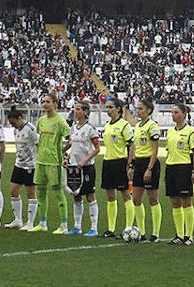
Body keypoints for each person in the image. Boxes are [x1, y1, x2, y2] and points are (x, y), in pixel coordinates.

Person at [30, 93, 72, 234]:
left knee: (58, 193)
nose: (44, 104)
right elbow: (38, 138)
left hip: (54, 161)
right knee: (40, 192)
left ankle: (64, 225)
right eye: (43, 101)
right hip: (40, 160)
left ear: (55, 103)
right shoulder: (41, 120)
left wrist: (61, 150)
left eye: (48, 101)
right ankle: (42, 223)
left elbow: (70, 139)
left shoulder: (60, 121)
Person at [165, 103, 194, 245]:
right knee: (174, 202)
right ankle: (179, 235)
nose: (173, 115)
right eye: (172, 112)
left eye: (176, 112)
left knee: (186, 201)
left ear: (184, 114)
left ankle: (188, 236)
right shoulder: (170, 131)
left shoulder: (190, 131)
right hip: (171, 167)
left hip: (184, 168)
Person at [99, 97, 134, 239]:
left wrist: (130, 164)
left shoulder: (125, 126)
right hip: (107, 162)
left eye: (110, 107)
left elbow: (131, 146)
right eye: (106, 107)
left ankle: (128, 228)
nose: (108, 110)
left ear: (118, 109)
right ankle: (111, 228)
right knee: (110, 196)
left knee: (125, 194)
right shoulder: (107, 125)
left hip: (120, 162)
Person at [130, 98, 163, 243]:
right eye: (137, 108)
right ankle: (141, 232)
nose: (138, 111)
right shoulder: (137, 126)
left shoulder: (153, 126)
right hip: (139, 163)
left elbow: (155, 150)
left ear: (149, 110)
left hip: (150, 163)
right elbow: (134, 147)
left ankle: (155, 233)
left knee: (152, 199)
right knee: (136, 199)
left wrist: (149, 168)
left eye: (141, 108)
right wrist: (131, 165)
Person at [68, 100, 101, 237]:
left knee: (90, 196)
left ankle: (94, 228)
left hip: (86, 167)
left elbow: (97, 149)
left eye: (78, 109)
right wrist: (67, 157)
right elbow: (72, 146)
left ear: (85, 112)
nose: (76, 112)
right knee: (76, 195)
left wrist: (85, 160)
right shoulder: (74, 127)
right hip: (74, 167)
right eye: (75, 109)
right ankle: (77, 226)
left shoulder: (90, 129)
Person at [6, 108, 40, 229]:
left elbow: (38, 145)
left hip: (30, 165)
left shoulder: (31, 129)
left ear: (20, 118)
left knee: (30, 193)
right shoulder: (16, 130)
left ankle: (30, 223)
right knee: (13, 191)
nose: (13, 126)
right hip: (19, 164)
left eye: (13, 123)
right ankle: (18, 220)